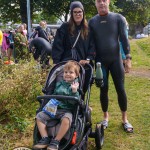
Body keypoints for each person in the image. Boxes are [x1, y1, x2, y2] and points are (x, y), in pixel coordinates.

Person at [89, 0, 133, 133]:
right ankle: (105, 117)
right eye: (98, 1)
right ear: (95, 3)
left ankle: (124, 119)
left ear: (108, 2)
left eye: (104, 0)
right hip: (100, 62)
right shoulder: (92, 21)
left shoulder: (117, 18)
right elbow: (90, 42)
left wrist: (128, 57)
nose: (101, 3)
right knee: (103, 90)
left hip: (116, 60)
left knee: (120, 89)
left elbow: (124, 38)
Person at [33, 61, 80, 150]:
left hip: (66, 110)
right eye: (65, 72)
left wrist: (74, 91)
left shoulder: (75, 86)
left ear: (76, 75)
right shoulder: (59, 84)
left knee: (66, 120)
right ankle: (45, 138)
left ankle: (56, 141)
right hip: (54, 108)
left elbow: (75, 102)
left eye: (71, 72)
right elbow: (53, 94)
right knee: (39, 116)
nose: (67, 74)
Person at [52, 1, 95, 95]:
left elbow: (92, 45)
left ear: (83, 13)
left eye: (79, 12)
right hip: (67, 62)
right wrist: (56, 61)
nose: (77, 14)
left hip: (82, 62)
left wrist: (88, 59)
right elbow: (57, 45)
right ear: (71, 14)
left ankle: (80, 104)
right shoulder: (65, 27)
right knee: (64, 84)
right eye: (75, 12)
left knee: (83, 86)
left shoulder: (88, 29)